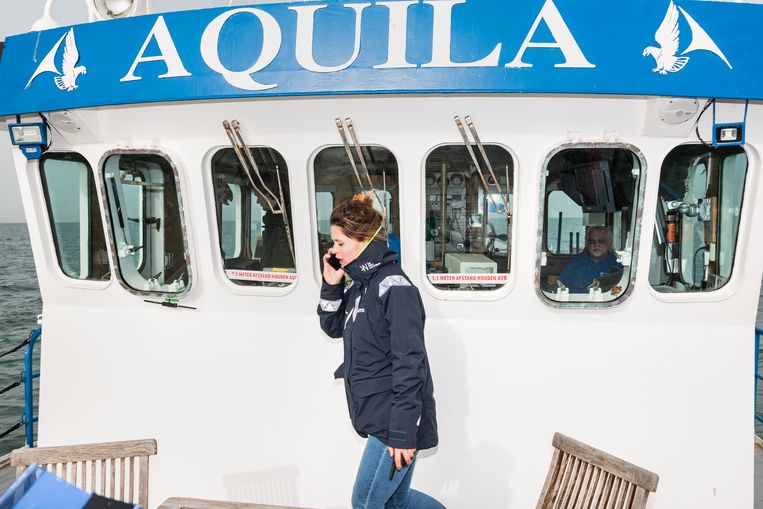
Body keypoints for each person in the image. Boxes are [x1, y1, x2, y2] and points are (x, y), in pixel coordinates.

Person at [317, 194, 443, 509]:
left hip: (393, 420)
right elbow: (332, 326)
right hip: (377, 414)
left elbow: (410, 364)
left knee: (365, 502)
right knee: (395, 502)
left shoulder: (395, 288)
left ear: (364, 241)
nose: (332, 251)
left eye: (339, 243)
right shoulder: (361, 286)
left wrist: (402, 432)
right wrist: (331, 284)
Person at [559, 226, 623, 293]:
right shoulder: (574, 264)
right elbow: (561, 287)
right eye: (592, 241)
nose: (596, 244)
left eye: (601, 241)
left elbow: (619, 292)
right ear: (587, 244)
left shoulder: (618, 266)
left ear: (609, 243)